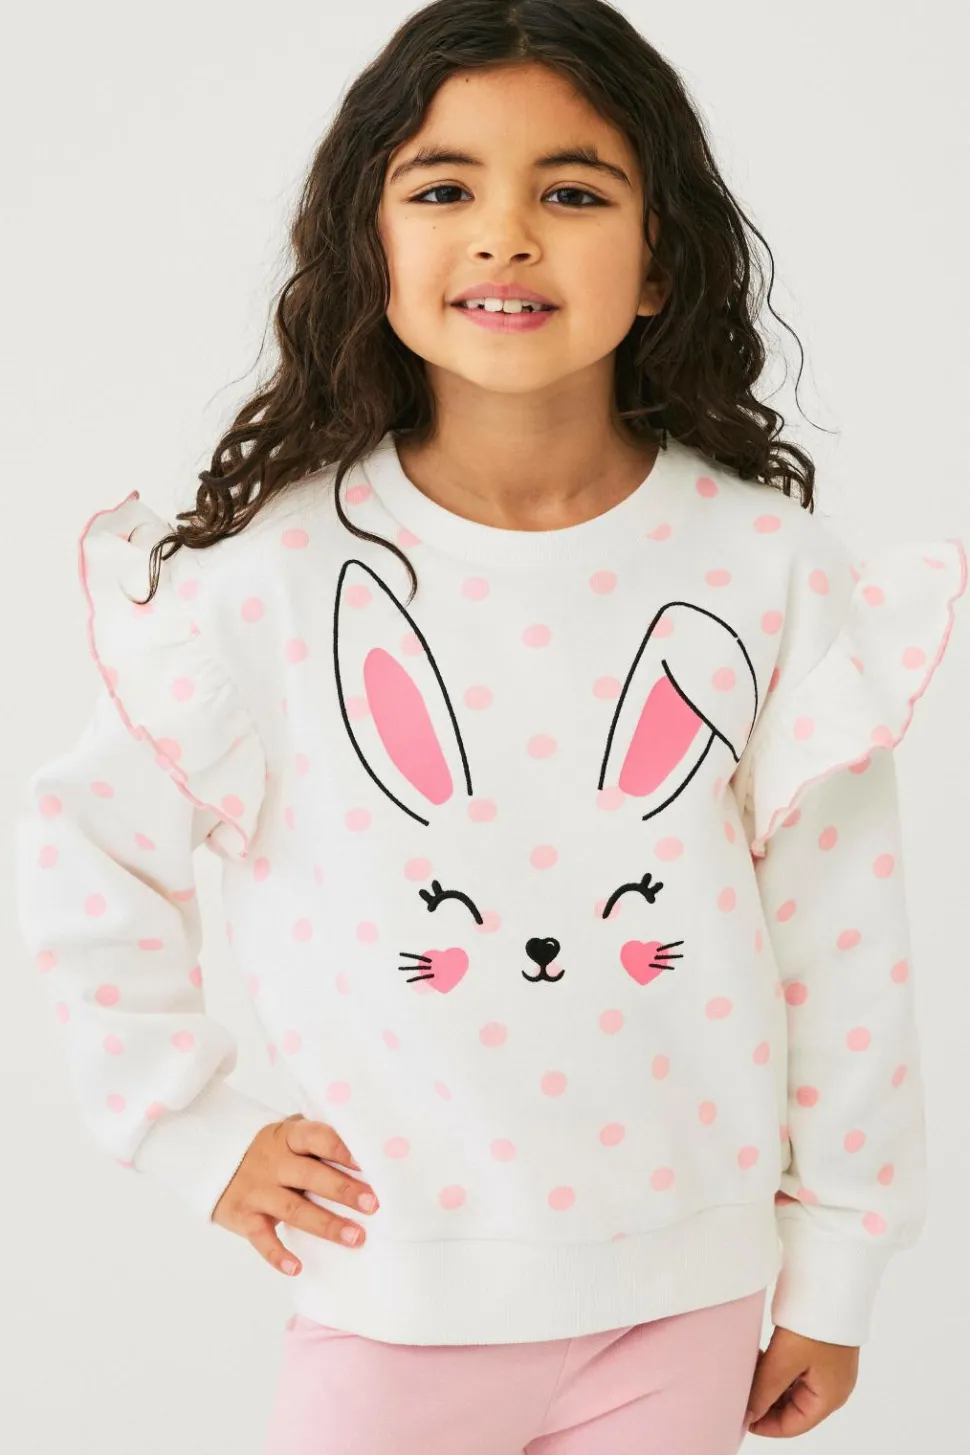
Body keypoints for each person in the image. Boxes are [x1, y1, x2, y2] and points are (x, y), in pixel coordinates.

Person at [14, 2, 967, 1451]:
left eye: (570, 194)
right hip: (389, 1293)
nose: (505, 236)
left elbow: (843, 944)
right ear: (371, 246)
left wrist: (835, 1267)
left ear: (658, 261)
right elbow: (91, 853)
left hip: (688, 1299)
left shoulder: (765, 571)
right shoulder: (268, 583)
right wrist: (187, 1125)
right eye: (444, 188)